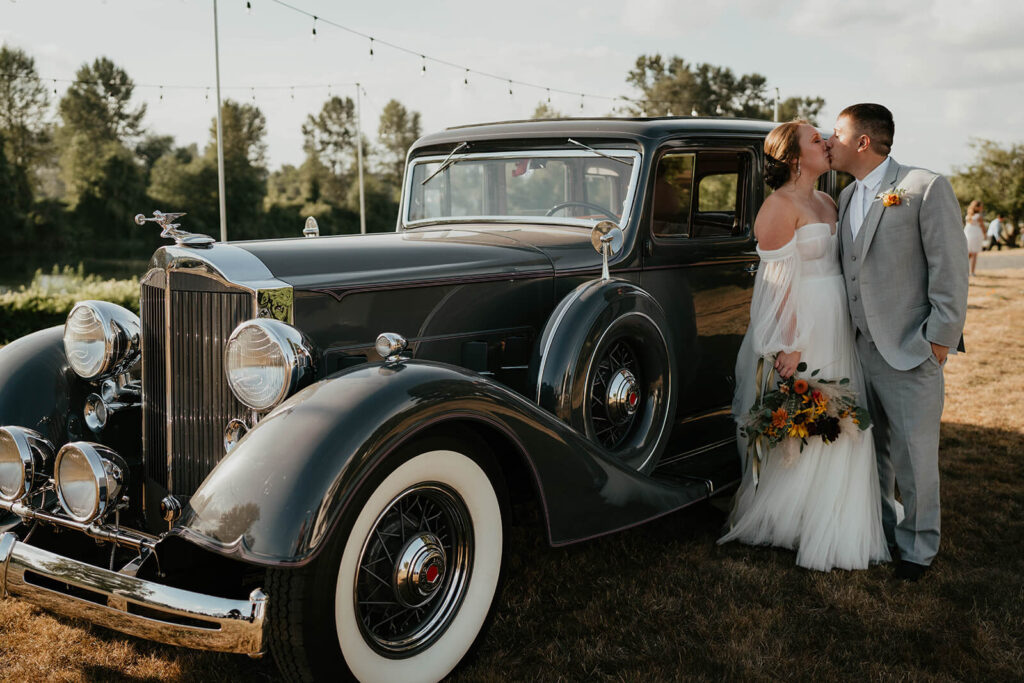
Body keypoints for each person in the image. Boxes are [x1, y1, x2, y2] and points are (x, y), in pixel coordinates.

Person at [718, 120, 890, 572]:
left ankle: (837, 517)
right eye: (817, 139)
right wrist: (787, 344)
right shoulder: (777, 208)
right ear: (795, 158)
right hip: (804, 324)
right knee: (808, 415)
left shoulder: (829, 200)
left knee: (843, 415)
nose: (827, 143)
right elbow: (777, 285)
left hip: (838, 322)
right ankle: (791, 519)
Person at [827, 103, 968, 582]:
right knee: (874, 453)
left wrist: (939, 342)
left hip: (911, 348)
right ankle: (886, 535)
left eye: (838, 133)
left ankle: (919, 551)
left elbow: (949, 271)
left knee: (914, 456)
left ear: (862, 141)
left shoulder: (924, 187)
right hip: (859, 348)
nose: (831, 141)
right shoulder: (846, 198)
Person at [964, 200, 985, 275]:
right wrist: (985, 235)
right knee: (974, 254)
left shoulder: (968, 216)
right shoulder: (978, 216)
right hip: (976, 234)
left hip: (968, 234)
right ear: (978, 207)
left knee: (969, 254)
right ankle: (972, 272)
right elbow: (982, 226)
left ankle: (964, 270)